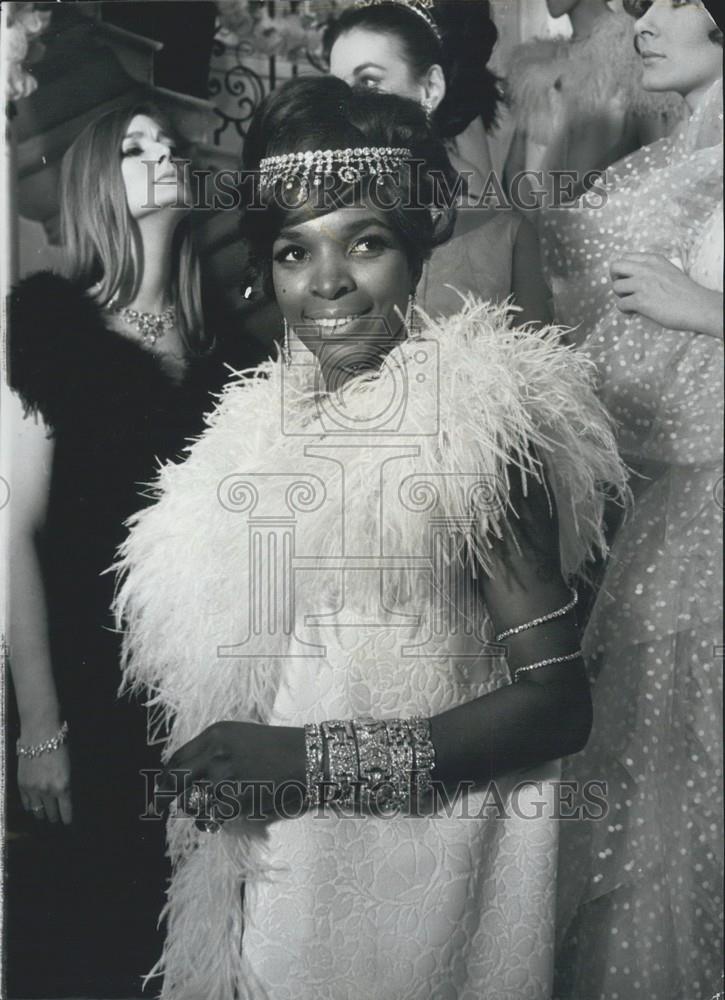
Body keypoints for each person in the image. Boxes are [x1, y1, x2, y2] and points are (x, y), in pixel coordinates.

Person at [113, 75, 628, 1000]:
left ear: (416, 252)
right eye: (293, 252)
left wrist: (311, 760)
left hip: (422, 883)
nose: (328, 283)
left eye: (365, 241)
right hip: (279, 874)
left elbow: (557, 703)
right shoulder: (247, 438)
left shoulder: (473, 428)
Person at [4, 102, 240, 997]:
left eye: (170, 144)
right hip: (87, 687)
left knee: (190, 929)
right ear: (97, 181)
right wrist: (37, 728)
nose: (163, 157)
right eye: (136, 148)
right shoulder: (49, 333)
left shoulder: (226, 349)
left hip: (197, 686)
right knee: (95, 934)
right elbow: (14, 532)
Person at [538, 3, 723, 997]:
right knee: (649, 790)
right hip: (666, 507)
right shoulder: (670, 152)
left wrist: (702, 309)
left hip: (708, 514)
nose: (640, 20)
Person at [325, 0, 552, 325]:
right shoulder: (327, 201)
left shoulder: (484, 218)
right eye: (335, 88)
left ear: (430, 88)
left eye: (369, 81)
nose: (344, 106)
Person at [504, 0, 685, 207]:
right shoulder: (537, 67)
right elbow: (516, 167)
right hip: (543, 224)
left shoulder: (634, 48)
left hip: (607, 221)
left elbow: (657, 156)